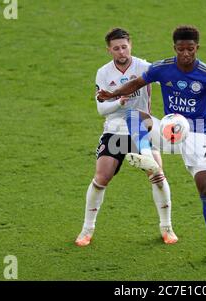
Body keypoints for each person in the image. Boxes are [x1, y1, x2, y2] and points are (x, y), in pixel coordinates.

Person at [97, 25, 206, 265]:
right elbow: (135, 84)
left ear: (197, 47)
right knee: (134, 116)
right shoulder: (162, 68)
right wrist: (112, 94)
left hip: (197, 133)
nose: (185, 54)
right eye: (180, 49)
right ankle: (148, 158)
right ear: (174, 48)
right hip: (168, 129)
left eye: (190, 49)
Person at [75, 28, 178, 247]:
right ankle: (87, 230)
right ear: (109, 50)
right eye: (116, 48)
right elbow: (102, 110)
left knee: (157, 175)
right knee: (101, 178)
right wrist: (119, 102)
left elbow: (169, 80)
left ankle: (166, 228)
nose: (121, 52)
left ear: (130, 45)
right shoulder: (103, 73)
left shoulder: (144, 67)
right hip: (114, 129)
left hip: (140, 125)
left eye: (124, 46)